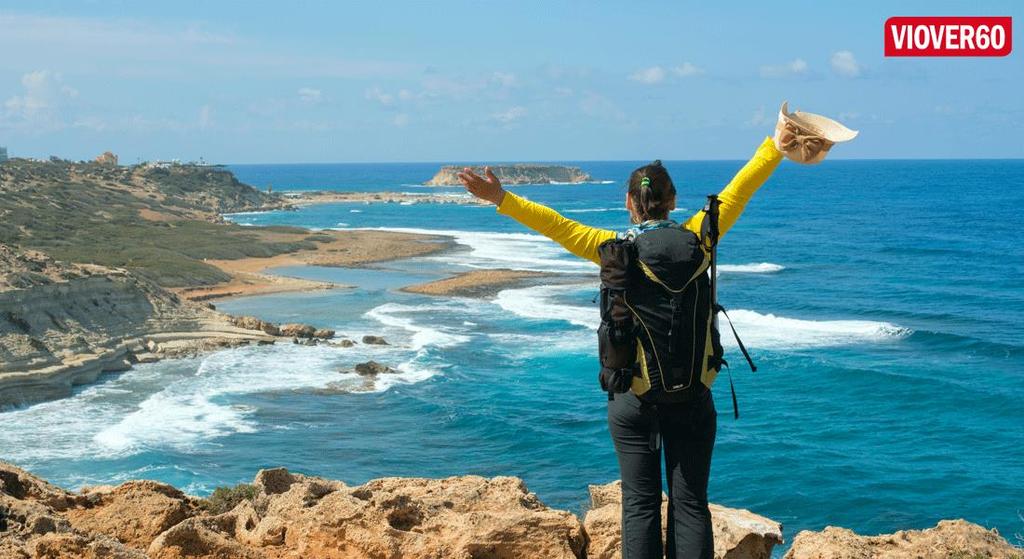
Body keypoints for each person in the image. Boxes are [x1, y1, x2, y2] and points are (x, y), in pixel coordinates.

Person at [457, 104, 854, 558]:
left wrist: (501, 199)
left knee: (640, 505)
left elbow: (556, 225)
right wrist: (773, 146)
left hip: (634, 400)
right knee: (691, 504)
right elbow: (738, 190)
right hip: (693, 397)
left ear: (629, 203)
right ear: (672, 201)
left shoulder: (612, 250)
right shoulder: (702, 236)